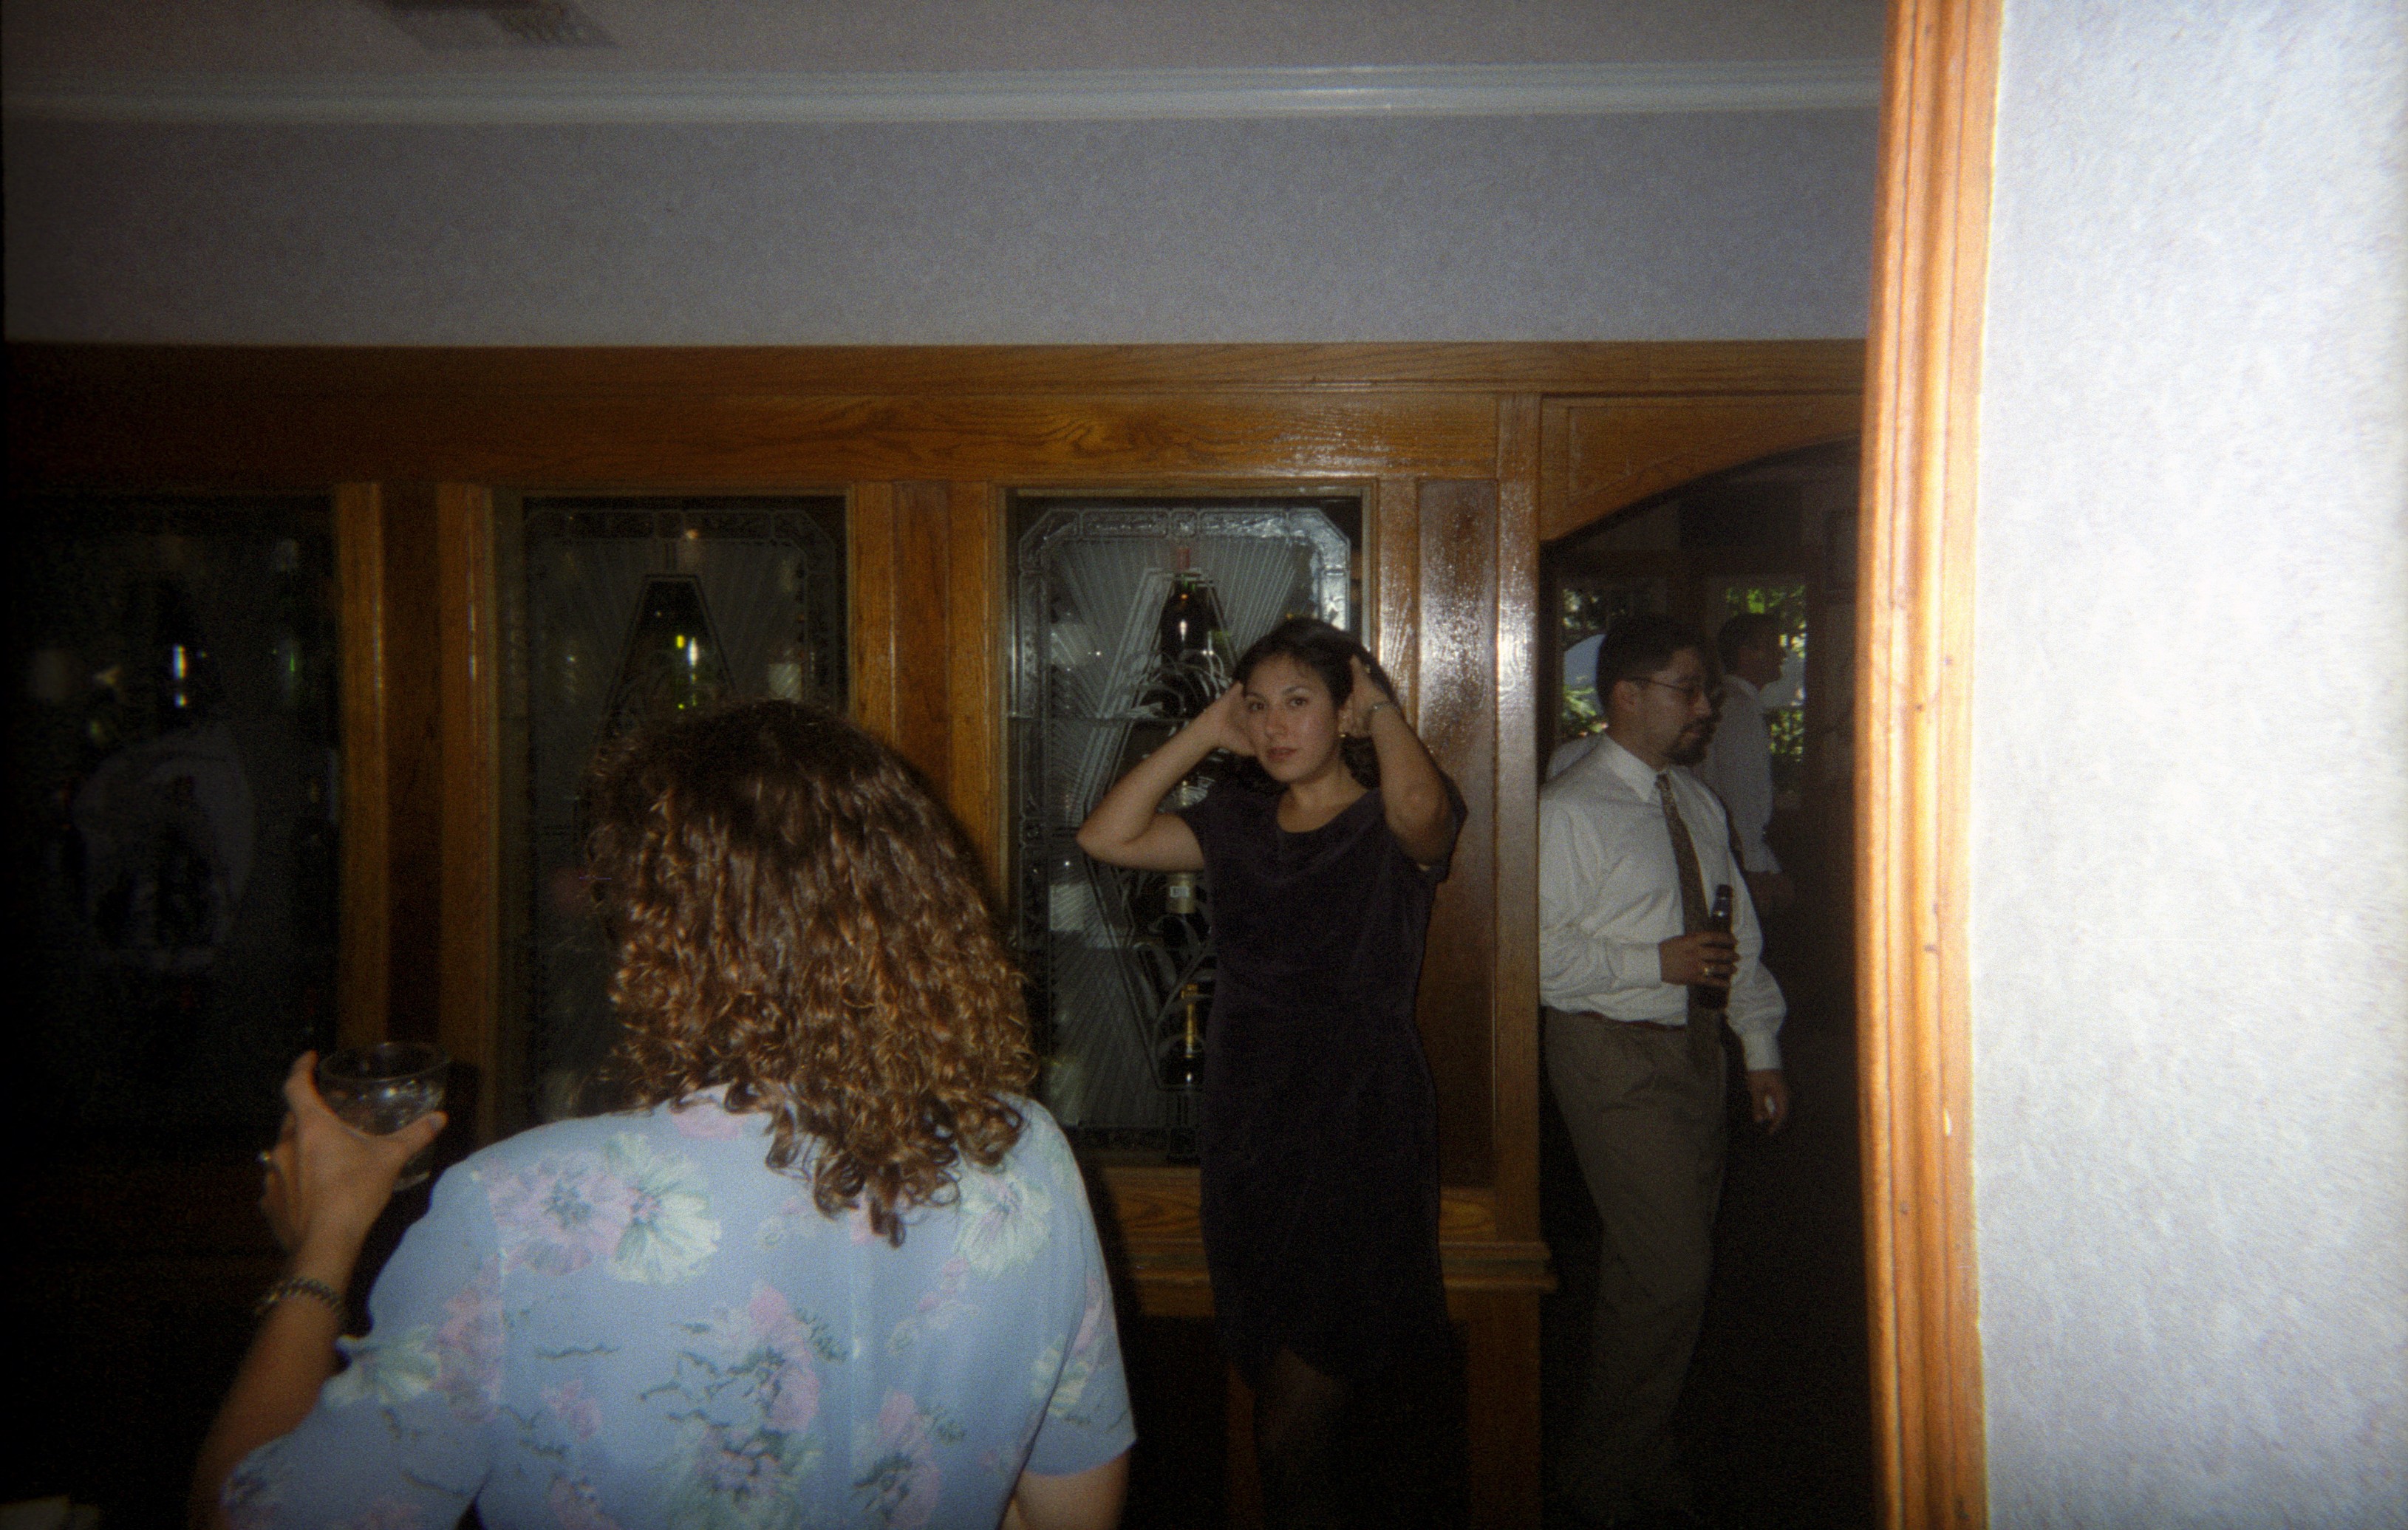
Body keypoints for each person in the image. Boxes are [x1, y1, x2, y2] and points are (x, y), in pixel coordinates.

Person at [193, 700, 1133, 1530]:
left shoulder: (517, 1211)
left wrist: (322, 1244)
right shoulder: (1023, 1157)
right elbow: (1072, 1512)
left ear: (660, 936)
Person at [1075, 617, 1461, 1529]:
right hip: (1249, 1121)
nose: (1275, 724)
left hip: (1359, 1119)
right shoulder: (1235, 820)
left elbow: (1424, 813)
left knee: (1295, 1422)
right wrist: (1207, 730)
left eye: (1298, 701)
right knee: (1274, 1385)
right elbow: (1106, 836)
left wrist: (1383, 710)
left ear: (1345, 711)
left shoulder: (1385, 819)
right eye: (1258, 705)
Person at [1538, 614, 1790, 1528]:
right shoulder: (1568, 810)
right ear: (1626, 695)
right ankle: (1602, 1476)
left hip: (1693, 1049)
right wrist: (1656, 962)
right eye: (1688, 690)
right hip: (1610, 1050)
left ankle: (1636, 1452)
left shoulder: (1693, 800)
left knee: (1651, 1270)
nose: (1704, 708)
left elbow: (1735, 935)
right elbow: (1534, 958)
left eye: (1706, 692)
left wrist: (1757, 1048)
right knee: (1673, 1269)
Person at [1696, 612, 1795, 914]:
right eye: (1772, 645)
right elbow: (1740, 794)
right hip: (1737, 857)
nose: (1782, 654)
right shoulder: (1738, 708)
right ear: (1746, 654)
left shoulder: (1731, 702)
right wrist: (1756, 867)